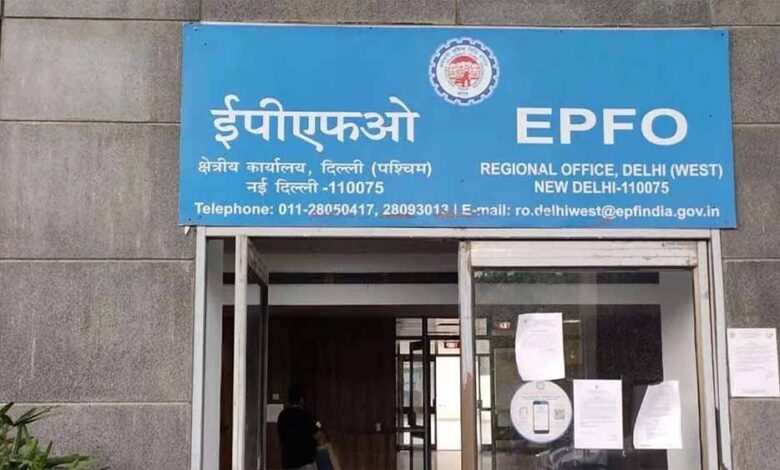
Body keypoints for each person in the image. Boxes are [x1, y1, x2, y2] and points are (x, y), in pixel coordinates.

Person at [277, 383, 320, 470]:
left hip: (289, 461)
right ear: (301, 400)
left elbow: (281, 436)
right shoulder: (305, 415)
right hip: (306, 460)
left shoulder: (282, 415)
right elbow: (316, 430)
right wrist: (319, 423)